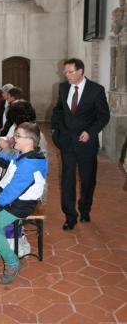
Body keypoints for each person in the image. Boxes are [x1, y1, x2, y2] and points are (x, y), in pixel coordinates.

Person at [0, 122, 48, 284]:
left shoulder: (29, 164)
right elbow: (8, 161)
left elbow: (13, 190)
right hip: (14, 199)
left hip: (21, 204)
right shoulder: (25, 154)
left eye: (18, 136)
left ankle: (12, 262)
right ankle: (3, 247)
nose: (13, 138)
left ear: (29, 141)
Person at [51, 58, 110, 230]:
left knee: (87, 179)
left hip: (86, 143)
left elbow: (103, 116)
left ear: (80, 72)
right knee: (67, 179)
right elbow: (59, 109)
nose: (65, 74)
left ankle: (85, 208)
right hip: (67, 142)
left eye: (69, 71)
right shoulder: (63, 87)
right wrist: (55, 130)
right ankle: (70, 216)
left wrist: (91, 132)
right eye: (65, 71)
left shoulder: (96, 90)